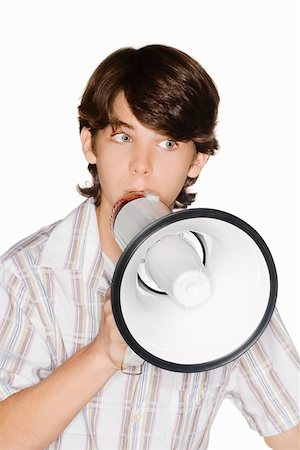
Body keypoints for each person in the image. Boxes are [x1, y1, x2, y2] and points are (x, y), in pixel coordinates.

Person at [0, 44, 299, 450]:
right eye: (123, 136)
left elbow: (291, 426)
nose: (141, 165)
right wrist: (101, 355)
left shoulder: (230, 284)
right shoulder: (28, 275)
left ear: (197, 161)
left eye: (168, 144)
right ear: (90, 144)